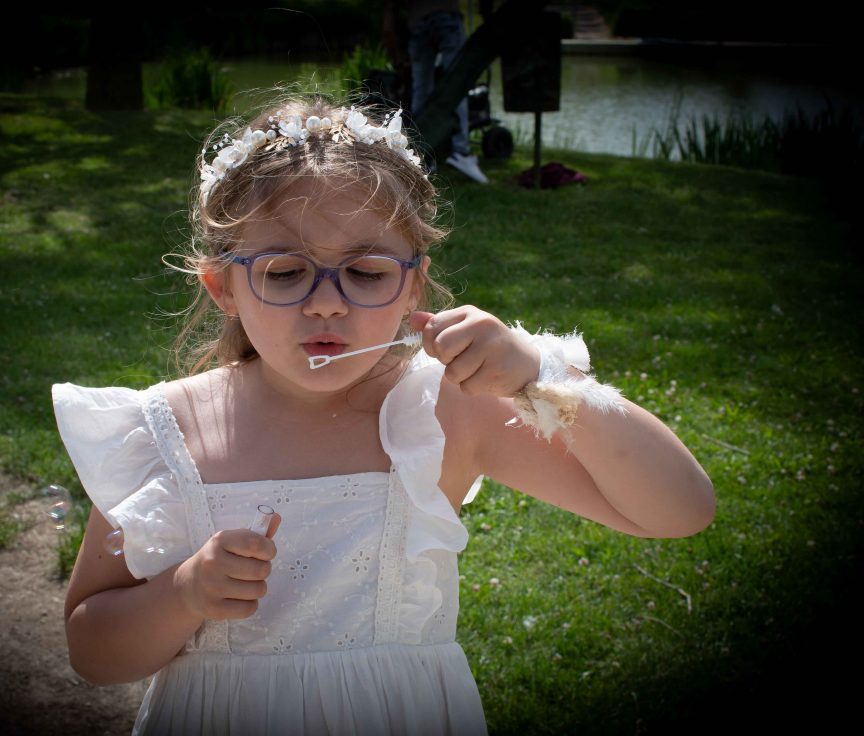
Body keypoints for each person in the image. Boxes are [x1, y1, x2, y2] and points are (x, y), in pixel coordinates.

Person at [52, 96, 715, 735]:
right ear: (223, 287)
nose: (327, 305)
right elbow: (91, 649)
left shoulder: (449, 412)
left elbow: (680, 509)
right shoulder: (168, 432)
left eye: (365, 272)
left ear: (413, 284)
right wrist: (183, 595)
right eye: (285, 273)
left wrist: (546, 375)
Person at [406, 0, 488, 183]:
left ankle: (420, 154)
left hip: (417, 20)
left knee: (421, 92)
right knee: (458, 85)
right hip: (445, 13)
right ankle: (461, 152)